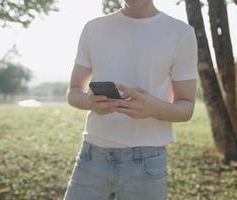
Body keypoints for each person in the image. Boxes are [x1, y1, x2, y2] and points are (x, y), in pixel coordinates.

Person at [64, 0, 198, 199]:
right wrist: (89, 102)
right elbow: (73, 93)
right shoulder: (93, 28)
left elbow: (186, 108)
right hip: (92, 156)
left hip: (146, 162)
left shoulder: (181, 33)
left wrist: (153, 109)